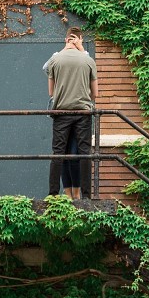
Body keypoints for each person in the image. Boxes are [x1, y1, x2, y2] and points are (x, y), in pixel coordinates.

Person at [46, 27, 98, 199]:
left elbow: (51, 92)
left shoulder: (55, 60)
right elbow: (95, 94)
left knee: (58, 153)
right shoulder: (88, 61)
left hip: (61, 113)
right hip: (83, 113)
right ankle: (86, 196)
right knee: (84, 153)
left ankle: (53, 195)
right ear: (80, 40)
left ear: (66, 39)